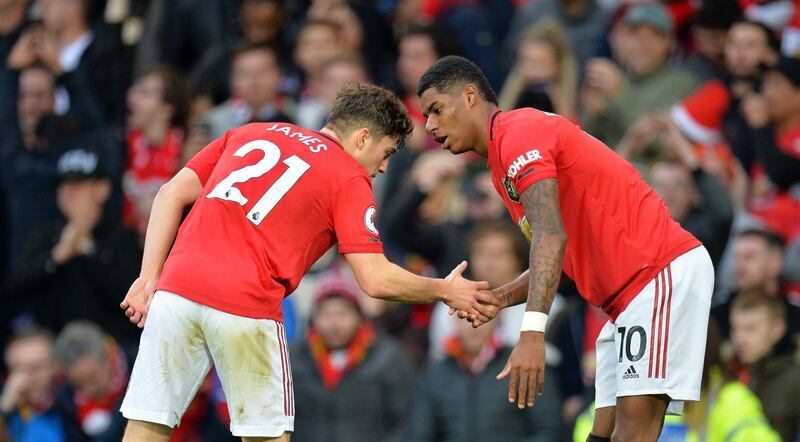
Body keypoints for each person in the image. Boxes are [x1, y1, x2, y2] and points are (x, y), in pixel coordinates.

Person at [118, 82, 496, 441]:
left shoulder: (251, 132)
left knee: (147, 427)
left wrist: (148, 277)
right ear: (363, 138)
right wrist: (444, 290)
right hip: (247, 307)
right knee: (267, 437)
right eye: (385, 154)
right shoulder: (348, 177)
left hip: (177, 290)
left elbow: (169, 194)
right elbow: (376, 280)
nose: (382, 168)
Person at [417, 55, 714, 441]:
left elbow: (550, 238)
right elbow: (557, 254)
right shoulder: (500, 164)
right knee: (599, 434)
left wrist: (531, 332)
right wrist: (499, 298)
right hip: (623, 300)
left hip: (657, 274)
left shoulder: (517, 133)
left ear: (471, 96)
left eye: (437, 109)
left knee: (633, 434)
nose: (430, 125)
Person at [3, 148, 142, 351]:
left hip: (113, 351)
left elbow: (130, 300)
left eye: (78, 184)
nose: (68, 191)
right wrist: (56, 258)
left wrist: (89, 250)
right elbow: (14, 288)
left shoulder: (123, 237)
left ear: (102, 189)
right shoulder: (47, 236)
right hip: (55, 354)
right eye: (63, 184)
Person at [290, 273, 414, 442]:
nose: (334, 325)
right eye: (326, 315)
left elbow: (407, 421)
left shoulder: (388, 358)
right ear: (314, 318)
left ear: (359, 317)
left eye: (342, 314)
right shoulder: (295, 359)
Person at [406, 312, 561, 442]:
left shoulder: (524, 364)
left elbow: (549, 430)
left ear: (499, 316)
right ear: (453, 319)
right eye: (465, 316)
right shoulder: (434, 375)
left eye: (483, 315)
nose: (474, 324)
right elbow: (418, 435)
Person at [729, 291, 800, 440]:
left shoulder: (795, 381)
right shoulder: (728, 377)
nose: (740, 338)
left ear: (777, 329)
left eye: (750, 329)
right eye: (735, 328)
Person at [54, 321, 129, 441]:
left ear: (108, 358)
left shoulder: (138, 364)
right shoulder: (66, 397)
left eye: (93, 378)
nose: (89, 390)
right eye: (78, 386)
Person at [1, 327, 66, 442]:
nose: (26, 378)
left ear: (55, 367)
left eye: (36, 368)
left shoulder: (72, 400)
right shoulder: (8, 412)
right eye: (18, 369)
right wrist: (4, 409)